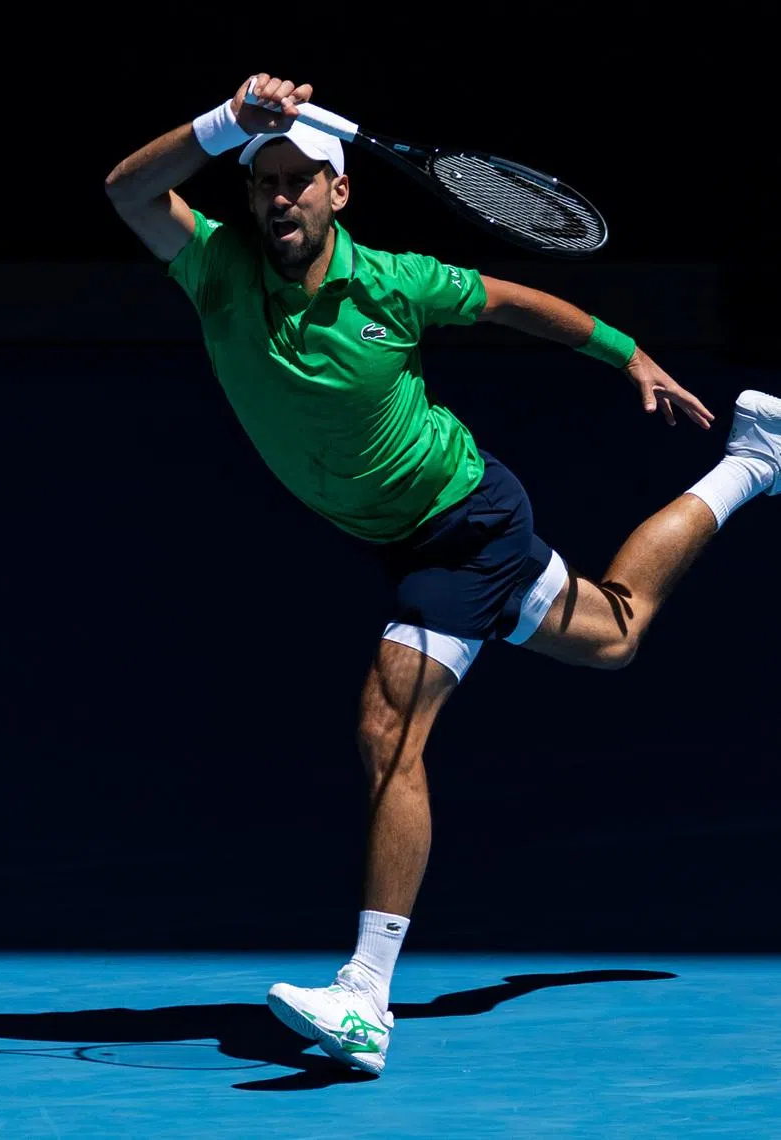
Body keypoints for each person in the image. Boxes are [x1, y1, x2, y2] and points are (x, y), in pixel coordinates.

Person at [103, 72, 781, 1077]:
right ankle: (755, 465)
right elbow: (126, 189)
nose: (280, 196)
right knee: (616, 632)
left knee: (390, 726)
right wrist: (226, 121)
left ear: (340, 192)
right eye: (264, 181)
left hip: (465, 525)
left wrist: (627, 353)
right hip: (410, 538)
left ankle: (364, 998)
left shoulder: (400, 282)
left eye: (300, 180)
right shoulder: (215, 269)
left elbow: (511, 303)